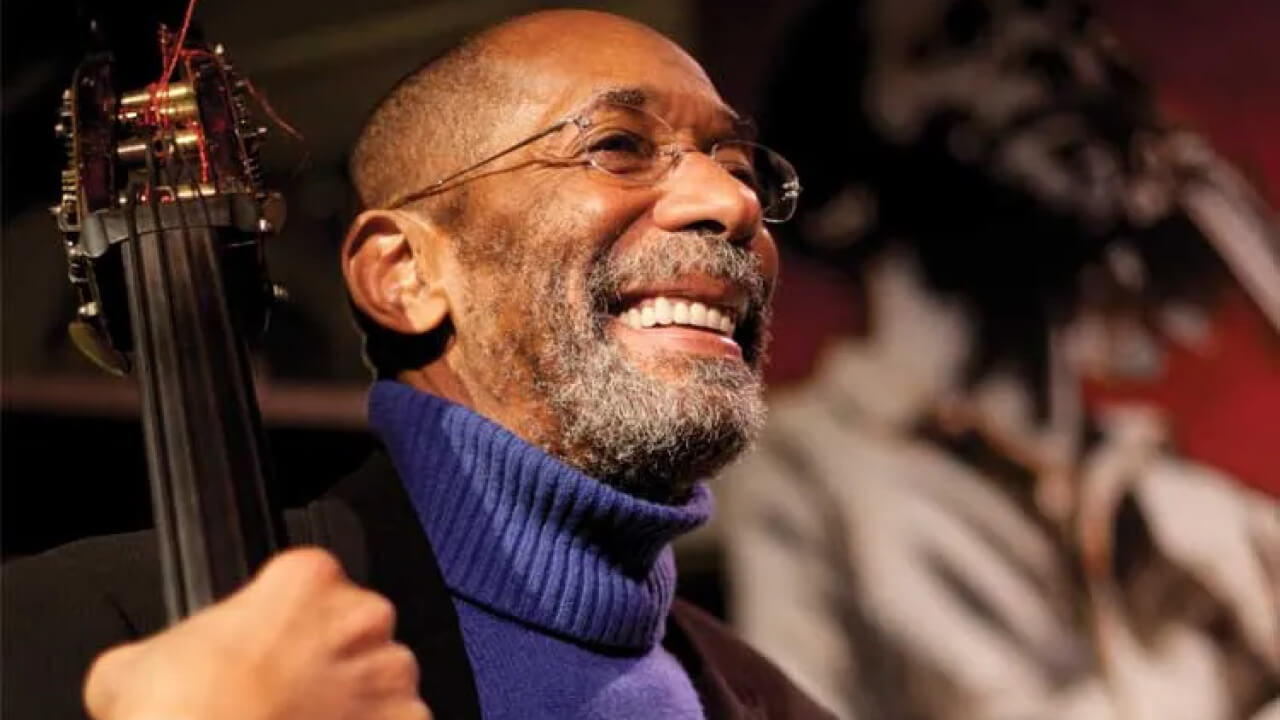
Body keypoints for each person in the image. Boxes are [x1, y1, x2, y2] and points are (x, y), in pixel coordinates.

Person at [2, 9, 832, 720]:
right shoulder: (82, 630)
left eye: (738, 166)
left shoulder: (777, 702)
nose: (733, 203)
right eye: (618, 145)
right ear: (402, 275)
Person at [717, 1, 1280, 718]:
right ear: (838, 196)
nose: (1048, 60)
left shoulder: (1201, 511)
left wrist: (1236, 230)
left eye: (1064, 37)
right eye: (959, 38)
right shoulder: (795, 476)